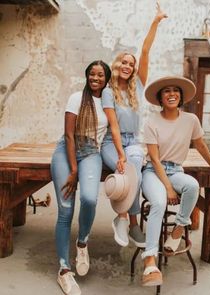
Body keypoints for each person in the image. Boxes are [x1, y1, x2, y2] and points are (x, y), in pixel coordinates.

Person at [141, 76, 210, 286]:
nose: (171, 94)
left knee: (193, 185)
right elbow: (155, 159)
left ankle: (177, 229)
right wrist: (168, 188)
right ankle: (149, 261)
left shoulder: (190, 120)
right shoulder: (152, 121)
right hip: (153, 171)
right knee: (159, 202)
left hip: (176, 169)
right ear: (160, 98)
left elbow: (201, 145)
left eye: (175, 91)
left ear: (181, 96)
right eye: (166, 91)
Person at [101, 3, 168, 248]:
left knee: (135, 167)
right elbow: (114, 128)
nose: (128, 66)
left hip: (132, 141)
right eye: (124, 63)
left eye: (131, 63)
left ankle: (125, 219)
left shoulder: (137, 87)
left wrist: (156, 21)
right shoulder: (109, 93)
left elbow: (146, 51)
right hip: (112, 142)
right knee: (128, 168)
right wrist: (120, 154)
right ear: (117, 66)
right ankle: (129, 221)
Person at [51, 60, 111, 295]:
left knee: (89, 199)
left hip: (92, 152)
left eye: (100, 75)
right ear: (87, 76)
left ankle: (82, 242)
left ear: (106, 78)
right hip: (67, 152)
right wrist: (73, 170)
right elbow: (68, 134)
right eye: (92, 74)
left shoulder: (108, 100)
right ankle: (64, 271)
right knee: (65, 209)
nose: (95, 78)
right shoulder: (77, 97)